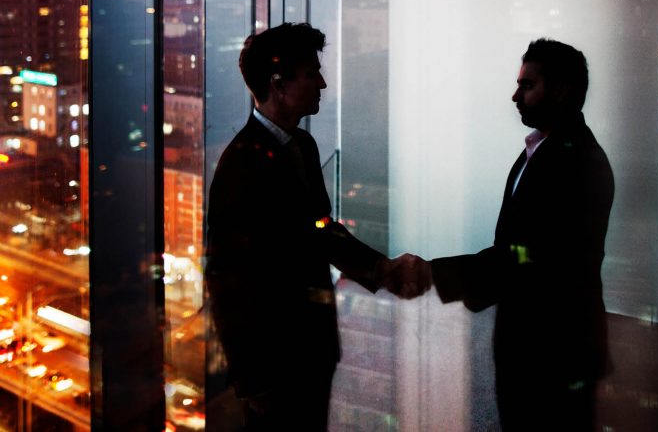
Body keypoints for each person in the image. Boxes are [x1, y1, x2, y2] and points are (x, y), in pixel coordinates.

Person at [205, 22, 428, 430]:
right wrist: (254, 381)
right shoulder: (240, 166)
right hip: (274, 370)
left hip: (310, 351)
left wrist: (379, 268)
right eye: (312, 73)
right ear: (279, 84)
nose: (323, 83)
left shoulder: (301, 147)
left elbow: (321, 228)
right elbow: (225, 281)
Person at [428, 39, 614, 430]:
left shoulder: (573, 161)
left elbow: (529, 256)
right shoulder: (544, 151)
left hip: (553, 356)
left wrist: (432, 274)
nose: (515, 96)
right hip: (539, 353)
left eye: (527, 86)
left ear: (561, 89)